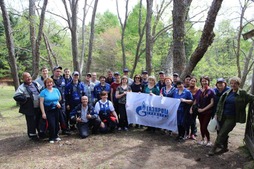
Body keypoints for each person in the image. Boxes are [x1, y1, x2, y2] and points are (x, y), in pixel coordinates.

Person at [208, 77, 254, 156]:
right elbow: (220, 104)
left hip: (232, 117)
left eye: (235, 83)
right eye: (231, 83)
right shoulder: (228, 92)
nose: (233, 85)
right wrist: (216, 114)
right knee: (222, 132)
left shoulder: (242, 93)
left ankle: (214, 148)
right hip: (222, 115)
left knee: (222, 132)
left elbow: (252, 98)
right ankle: (225, 147)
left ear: (238, 84)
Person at [13, 72, 42, 140]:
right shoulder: (22, 87)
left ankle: (41, 133)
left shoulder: (35, 84)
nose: (29, 78)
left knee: (39, 120)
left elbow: (42, 90)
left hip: (38, 107)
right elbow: (16, 96)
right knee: (31, 122)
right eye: (26, 77)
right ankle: (32, 135)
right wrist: (25, 100)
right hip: (29, 108)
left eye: (29, 76)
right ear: (23, 79)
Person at [191, 76, 214, 146]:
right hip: (199, 111)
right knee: (201, 126)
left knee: (204, 126)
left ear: (208, 81)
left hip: (207, 112)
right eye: (203, 81)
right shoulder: (199, 90)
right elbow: (195, 100)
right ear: (201, 82)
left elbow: (212, 103)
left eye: (206, 81)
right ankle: (202, 139)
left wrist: (203, 109)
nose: (204, 82)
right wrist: (192, 108)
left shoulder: (211, 91)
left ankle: (209, 140)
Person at [39, 77, 62, 143]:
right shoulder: (43, 92)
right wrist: (43, 113)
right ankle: (51, 137)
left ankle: (56, 136)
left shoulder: (56, 90)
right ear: (45, 84)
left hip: (56, 109)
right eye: (47, 83)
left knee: (56, 123)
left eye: (50, 82)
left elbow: (59, 98)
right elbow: (41, 103)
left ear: (52, 83)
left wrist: (57, 102)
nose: (49, 84)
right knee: (51, 124)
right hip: (49, 110)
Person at [51, 66, 70, 135]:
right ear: (53, 72)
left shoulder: (63, 79)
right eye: (57, 71)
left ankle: (64, 129)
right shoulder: (50, 80)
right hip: (53, 102)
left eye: (60, 71)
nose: (59, 72)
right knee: (55, 117)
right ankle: (56, 131)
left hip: (63, 102)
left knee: (63, 116)